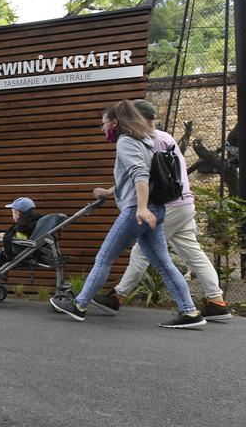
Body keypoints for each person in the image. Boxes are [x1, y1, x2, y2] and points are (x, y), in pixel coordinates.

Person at [50, 100, 205, 328]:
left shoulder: (125, 141)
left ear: (115, 122)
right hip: (157, 209)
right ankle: (190, 312)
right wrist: (109, 192)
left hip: (137, 211)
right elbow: (138, 175)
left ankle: (79, 306)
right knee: (163, 263)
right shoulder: (145, 140)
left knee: (103, 259)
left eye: (103, 124)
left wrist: (141, 208)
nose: (103, 129)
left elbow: (140, 175)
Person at [89, 99, 231, 321]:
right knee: (193, 253)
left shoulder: (148, 140)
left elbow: (142, 175)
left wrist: (111, 194)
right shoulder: (166, 137)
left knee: (142, 252)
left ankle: (117, 297)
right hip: (185, 202)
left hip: (168, 205)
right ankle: (216, 301)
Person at [0, 197, 42, 279]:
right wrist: (5, 235)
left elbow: (20, 239)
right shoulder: (34, 221)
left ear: (18, 213)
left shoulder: (23, 225)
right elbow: (21, 235)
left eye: (12, 213)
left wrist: (3, 237)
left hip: (23, 253)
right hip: (32, 251)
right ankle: (0, 274)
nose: (12, 215)